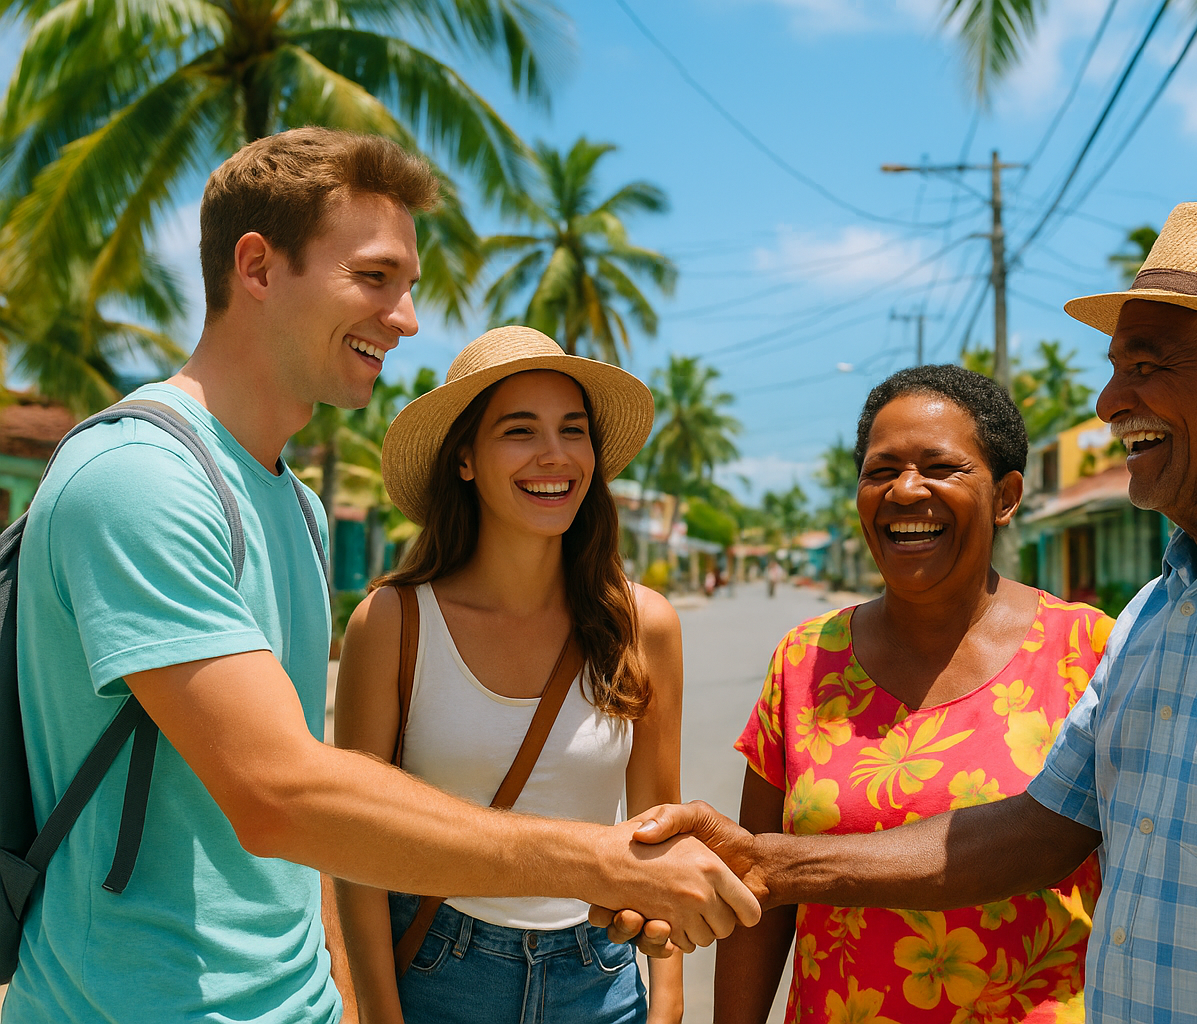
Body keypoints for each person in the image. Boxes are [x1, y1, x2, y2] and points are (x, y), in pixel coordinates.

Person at [598, 203, 1197, 1023]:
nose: (1108, 400)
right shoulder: (1158, 613)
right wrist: (765, 862)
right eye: (1115, 364)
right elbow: (1034, 835)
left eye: (1147, 365)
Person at [7, 129, 756, 1024]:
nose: (404, 319)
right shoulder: (140, 477)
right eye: (374, 278)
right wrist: (605, 863)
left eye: (406, 288)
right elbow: (281, 795)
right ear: (257, 267)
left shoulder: (293, 506)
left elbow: (302, 848)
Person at [717, 365, 1107, 1023]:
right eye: (881, 470)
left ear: (1007, 496)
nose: (904, 490)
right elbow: (760, 885)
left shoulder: (1089, 652)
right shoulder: (805, 661)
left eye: (940, 467)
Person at [333, 327, 684, 1024]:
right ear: (464, 458)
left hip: (600, 979)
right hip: (439, 973)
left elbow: (657, 837)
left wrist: (666, 1006)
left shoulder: (643, 625)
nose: (554, 456)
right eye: (519, 431)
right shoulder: (394, 622)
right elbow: (353, 848)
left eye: (572, 430)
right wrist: (376, 1013)